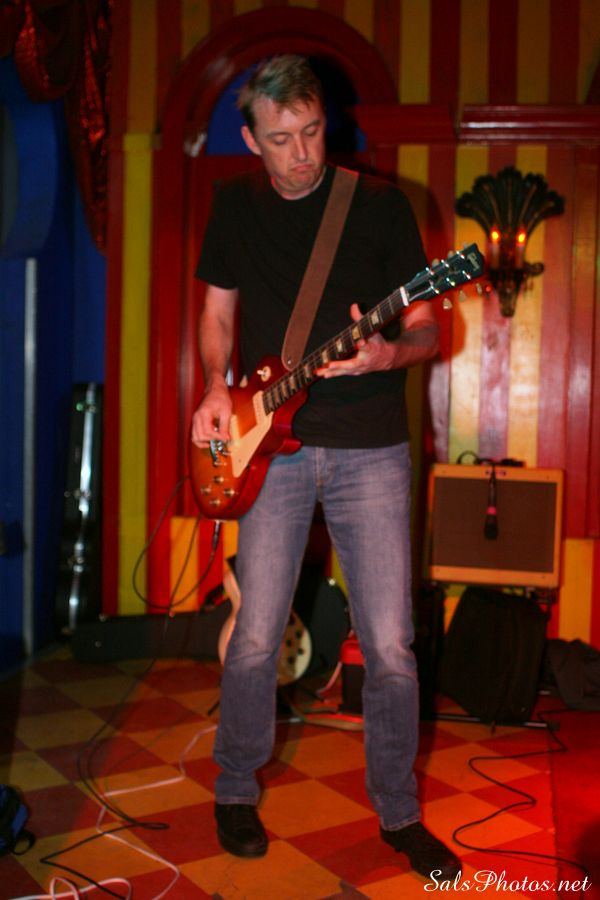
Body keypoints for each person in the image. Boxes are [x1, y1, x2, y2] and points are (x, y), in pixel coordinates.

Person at [191, 55, 460, 880]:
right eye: (281, 139)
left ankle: (400, 813)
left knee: (392, 645)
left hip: (370, 448)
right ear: (251, 139)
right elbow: (216, 313)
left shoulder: (379, 207)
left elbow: (429, 329)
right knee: (255, 636)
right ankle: (235, 788)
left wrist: (386, 355)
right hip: (267, 450)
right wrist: (215, 388)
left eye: (311, 132)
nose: (302, 153)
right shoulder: (234, 207)